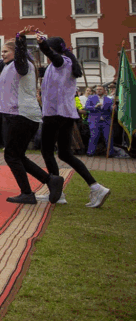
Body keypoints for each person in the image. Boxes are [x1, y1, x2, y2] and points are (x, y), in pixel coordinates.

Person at [0, 30, 63, 204]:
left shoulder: (23, 65)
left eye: (6, 51)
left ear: (16, 52)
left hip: (21, 115)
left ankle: (28, 192)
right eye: (2, 51)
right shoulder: (7, 66)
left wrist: (21, 40)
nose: (2, 54)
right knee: (17, 155)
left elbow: (20, 56)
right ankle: (50, 180)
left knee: (11, 156)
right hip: (21, 116)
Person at [37, 34, 110, 207]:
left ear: (53, 50)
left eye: (48, 51)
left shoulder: (63, 62)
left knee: (47, 151)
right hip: (65, 115)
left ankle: (58, 192)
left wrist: (42, 44)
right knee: (64, 153)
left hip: (55, 114)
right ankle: (95, 186)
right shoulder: (57, 65)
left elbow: (54, 57)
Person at [85, 86, 113, 156]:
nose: (98, 90)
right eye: (97, 89)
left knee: (108, 137)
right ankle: (90, 152)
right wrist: (95, 106)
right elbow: (86, 107)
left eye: (100, 89)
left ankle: (110, 153)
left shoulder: (109, 99)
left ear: (104, 90)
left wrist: (113, 108)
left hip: (105, 121)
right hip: (94, 120)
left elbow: (111, 110)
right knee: (94, 136)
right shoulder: (91, 97)